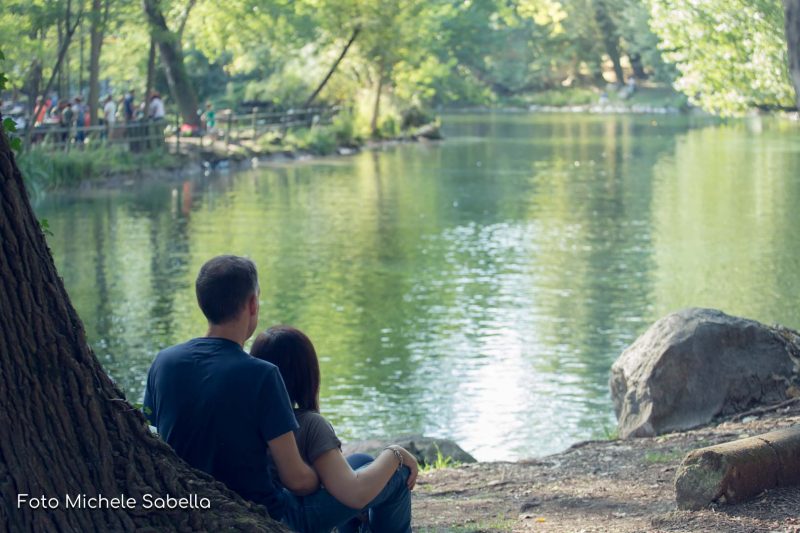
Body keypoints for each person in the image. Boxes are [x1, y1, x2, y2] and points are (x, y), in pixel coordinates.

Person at [143, 256, 320, 522]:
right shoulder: (262, 375)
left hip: (191, 511)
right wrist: (323, 476)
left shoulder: (164, 362)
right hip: (261, 517)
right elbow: (297, 481)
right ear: (252, 304)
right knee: (369, 471)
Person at [251, 326, 418, 533]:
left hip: (267, 503)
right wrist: (396, 453)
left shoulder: (249, 416)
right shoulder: (310, 424)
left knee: (362, 461)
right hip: (292, 515)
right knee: (398, 472)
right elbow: (355, 493)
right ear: (308, 373)